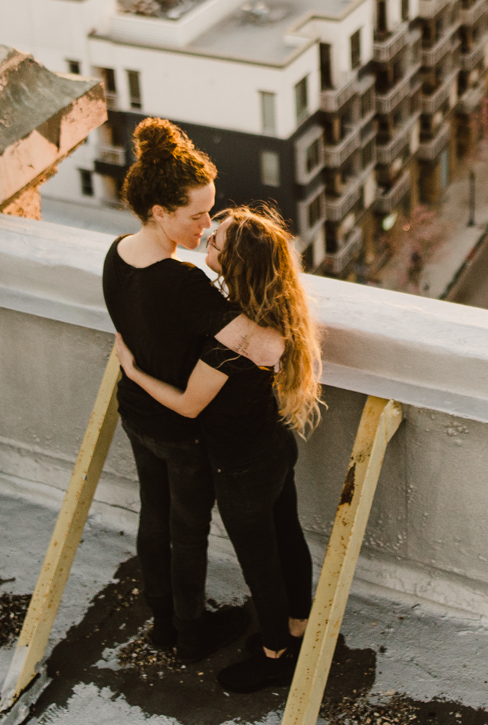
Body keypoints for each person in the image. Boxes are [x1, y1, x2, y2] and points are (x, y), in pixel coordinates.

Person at [115, 205, 324, 694]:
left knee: (260, 564)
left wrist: (133, 370)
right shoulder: (276, 312)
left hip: (239, 468)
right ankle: (295, 627)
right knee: (287, 536)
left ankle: (275, 657)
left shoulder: (231, 344)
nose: (206, 235)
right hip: (275, 448)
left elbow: (188, 406)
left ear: (236, 266)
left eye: (216, 241)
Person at [103, 118, 281, 663]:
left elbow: (129, 326)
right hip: (181, 431)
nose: (207, 225)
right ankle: (191, 631)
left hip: (136, 415)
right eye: (197, 214)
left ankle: (163, 624)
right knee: (189, 532)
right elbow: (264, 347)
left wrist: (132, 369)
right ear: (159, 211)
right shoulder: (184, 284)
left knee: (153, 517)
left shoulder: (117, 253)